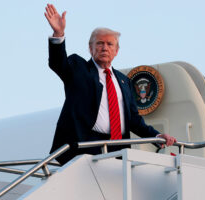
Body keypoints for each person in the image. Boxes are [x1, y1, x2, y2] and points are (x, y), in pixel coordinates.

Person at [44, 4, 176, 165]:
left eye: (109, 44)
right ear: (90, 48)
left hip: (118, 150)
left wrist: (156, 136)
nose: (104, 48)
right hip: (85, 148)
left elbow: (134, 120)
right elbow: (58, 63)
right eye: (99, 43)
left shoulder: (124, 81)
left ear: (116, 51)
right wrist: (59, 34)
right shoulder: (79, 68)